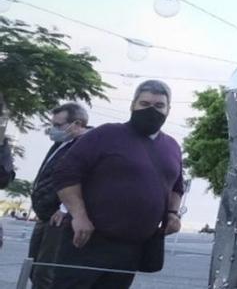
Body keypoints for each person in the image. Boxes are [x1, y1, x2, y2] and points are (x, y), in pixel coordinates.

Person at [48, 80, 184, 289]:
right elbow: (65, 174)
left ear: (168, 110)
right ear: (133, 105)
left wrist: (173, 213)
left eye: (158, 106)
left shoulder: (172, 147)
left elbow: (176, 185)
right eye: (144, 103)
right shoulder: (105, 134)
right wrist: (79, 215)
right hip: (87, 239)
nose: (151, 110)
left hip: (132, 248)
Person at [29, 103, 90, 289]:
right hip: (44, 214)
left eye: (58, 125)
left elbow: (82, 179)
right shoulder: (61, 143)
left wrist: (64, 209)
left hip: (58, 218)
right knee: (33, 268)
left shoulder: (86, 145)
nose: (53, 129)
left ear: (77, 123)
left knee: (45, 273)